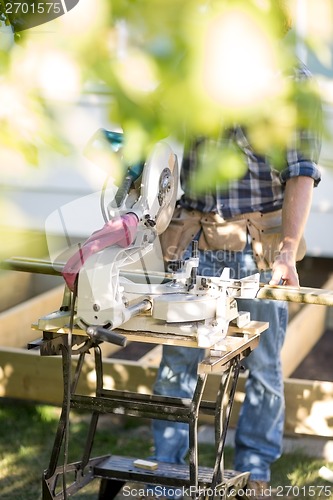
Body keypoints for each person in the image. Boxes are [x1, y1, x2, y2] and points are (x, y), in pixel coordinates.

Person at [151, 60, 322, 499]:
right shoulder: (196, 61)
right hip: (193, 243)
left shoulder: (291, 78)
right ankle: (168, 476)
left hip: (256, 251)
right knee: (177, 365)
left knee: (263, 367)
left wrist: (287, 250)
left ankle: (254, 470)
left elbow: (301, 170)